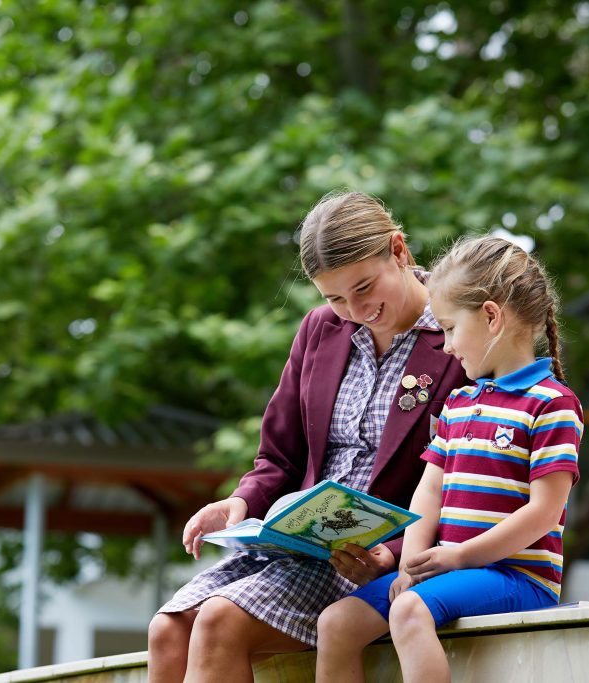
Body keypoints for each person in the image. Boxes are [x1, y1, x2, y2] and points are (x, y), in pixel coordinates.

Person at [147, 191, 468, 683]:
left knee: (218, 621)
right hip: (297, 544)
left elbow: (472, 476)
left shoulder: (456, 334)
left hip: (374, 558)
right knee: (166, 629)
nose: (356, 309)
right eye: (335, 298)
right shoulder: (320, 331)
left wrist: (396, 553)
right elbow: (278, 455)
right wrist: (241, 503)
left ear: (399, 251)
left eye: (364, 287)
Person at [314, 235, 583, 683]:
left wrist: (459, 557)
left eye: (451, 328)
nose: (447, 346)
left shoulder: (551, 403)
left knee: (409, 609)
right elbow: (430, 488)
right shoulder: (458, 403)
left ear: (491, 317)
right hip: (450, 572)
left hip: (518, 578)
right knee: (335, 623)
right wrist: (410, 563)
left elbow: (543, 513)